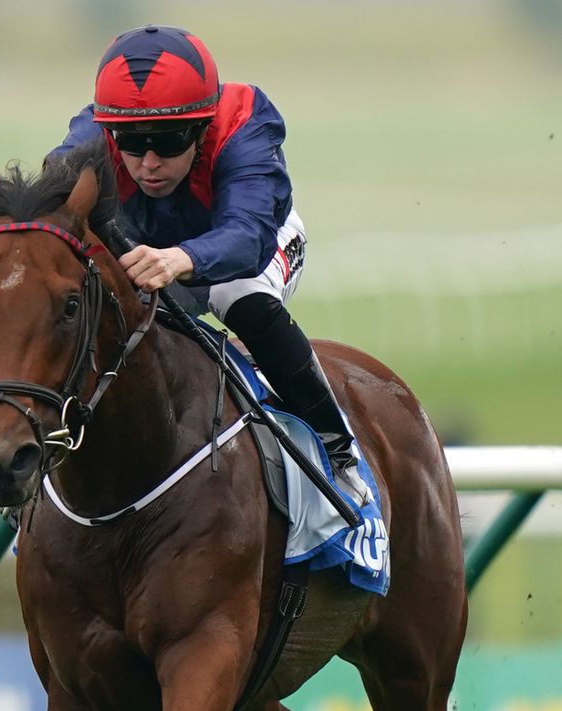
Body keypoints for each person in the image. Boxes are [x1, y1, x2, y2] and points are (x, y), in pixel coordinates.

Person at [49, 24, 370, 505]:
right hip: (148, 248)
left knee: (237, 294)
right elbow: (51, 203)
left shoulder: (244, 124)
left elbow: (248, 237)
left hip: (258, 242)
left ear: (202, 127)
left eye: (169, 141)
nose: (149, 162)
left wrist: (182, 258)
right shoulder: (92, 134)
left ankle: (337, 449)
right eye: (131, 143)